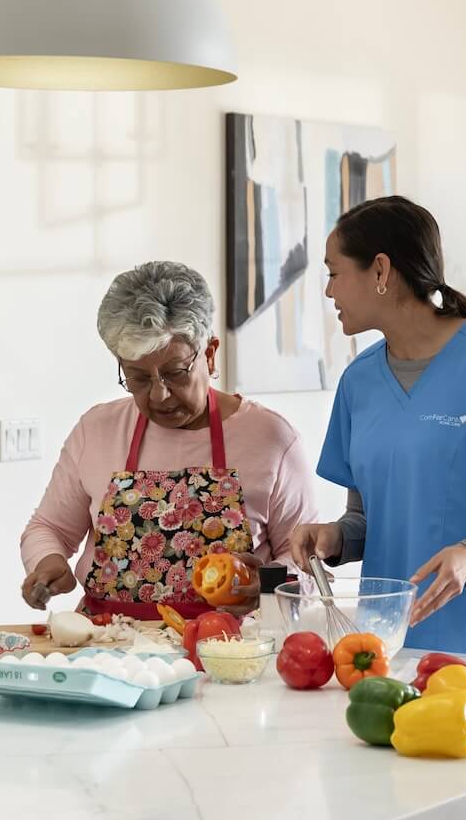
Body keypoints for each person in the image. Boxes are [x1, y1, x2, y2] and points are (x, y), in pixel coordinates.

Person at [291, 196, 466, 655]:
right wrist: (333, 538)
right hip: (387, 642)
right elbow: (368, 518)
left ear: (381, 271)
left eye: (333, 273)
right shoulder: (359, 381)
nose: (329, 293)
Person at [20, 261, 317, 619]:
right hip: (108, 648)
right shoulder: (97, 429)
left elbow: (305, 561)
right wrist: (48, 562)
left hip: (226, 653)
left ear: (209, 353)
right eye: (138, 378)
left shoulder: (272, 439)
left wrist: (265, 584)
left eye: (175, 373)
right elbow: (48, 528)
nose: (159, 395)